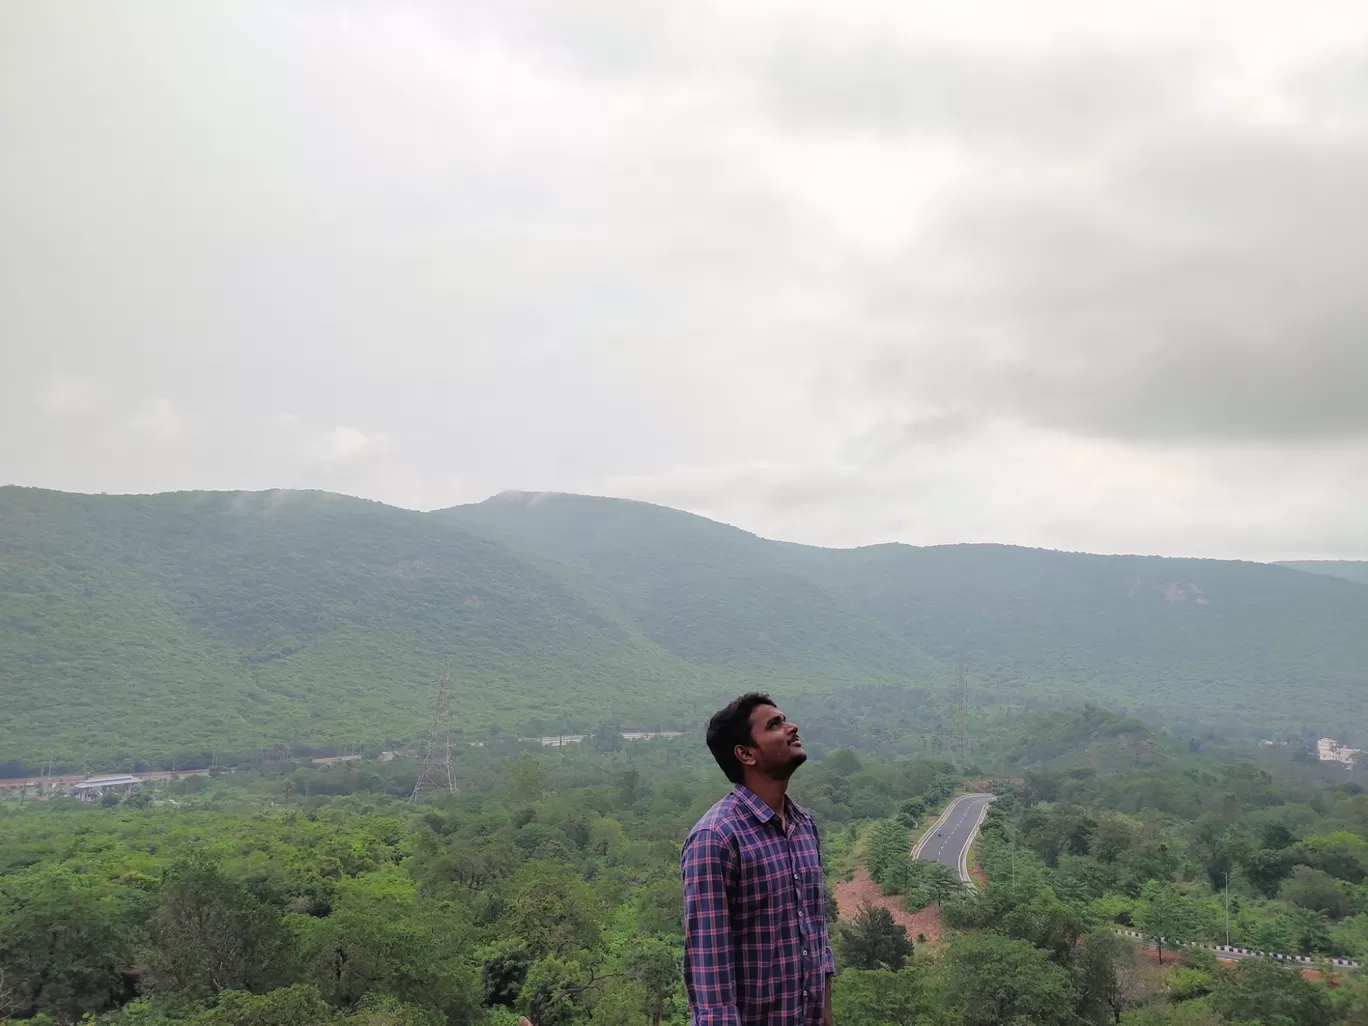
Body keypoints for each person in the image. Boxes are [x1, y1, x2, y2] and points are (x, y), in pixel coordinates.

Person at [682, 692, 835, 1026]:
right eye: (775, 725)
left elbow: (817, 942)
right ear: (746, 754)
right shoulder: (717, 838)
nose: (792, 728)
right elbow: (712, 982)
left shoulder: (803, 825)